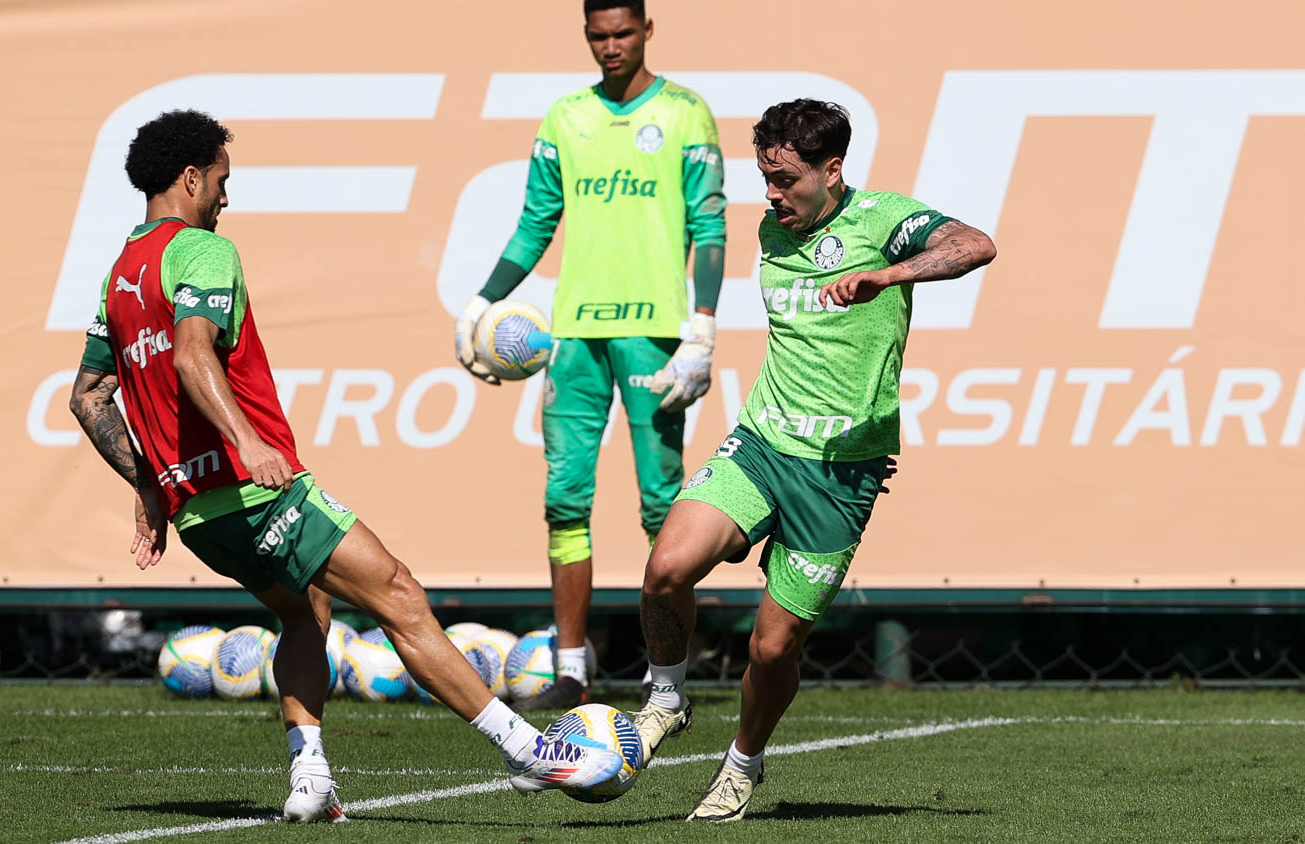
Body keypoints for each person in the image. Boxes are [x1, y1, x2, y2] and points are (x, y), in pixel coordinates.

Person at [68, 109, 623, 824]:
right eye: (223, 182)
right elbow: (191, 354)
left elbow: (87, 398)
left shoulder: (119, 275)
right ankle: (530, 753)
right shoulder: (201, 250)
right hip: (256, 491)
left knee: (309, 614)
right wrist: (245, 440)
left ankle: (311, 778)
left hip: (201, 515)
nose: (226, 198)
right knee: (398, 593)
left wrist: (149, 482)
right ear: (191, 177)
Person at [626, 98, 998, 821]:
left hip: (840, 473)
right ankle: (666, 697)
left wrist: (889, 278)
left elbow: (977, 244)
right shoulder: (775, 226)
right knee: (666, 566)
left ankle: (742, 765)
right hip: (763, 444)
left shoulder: (885, 221)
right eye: (764, 177)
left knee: (772, 650)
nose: (770, 195)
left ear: (832, 171)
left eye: (786, 179)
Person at [452, 0, 727, 712]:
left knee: (662, 508)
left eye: (623, 33)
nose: (611, 47)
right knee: (564, 501)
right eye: (599, 36)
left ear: (647, 31)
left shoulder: (686, 114)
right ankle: (571, 671)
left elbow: (710, 226)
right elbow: (535, 224)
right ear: (587, 37)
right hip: (572, 340)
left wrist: (702, 328)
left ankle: (667, 680)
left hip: (655, 338)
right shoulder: (565, 118)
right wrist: (482, 303)